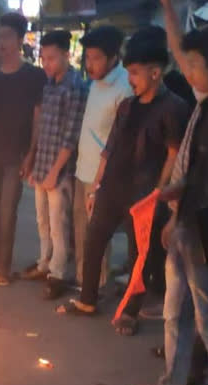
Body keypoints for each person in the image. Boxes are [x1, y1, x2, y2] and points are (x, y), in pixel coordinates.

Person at [56, 28, 189, 337]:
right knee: (93, 242)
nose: (131, 79)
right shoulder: (128, 106)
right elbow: (110, 148)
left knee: (137, 255)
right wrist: (98, 185)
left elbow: (174, 154)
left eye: (136, 73)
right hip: (112, 187)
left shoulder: (173, 108)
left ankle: (131, 311)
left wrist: (159, 192)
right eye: (129, 73)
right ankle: (87, 300)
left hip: (143, 194)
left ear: (155, 73)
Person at [124, 1, 208, 385]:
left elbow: (204, 185)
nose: (187, 71)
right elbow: (180, 50)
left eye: (195, 65)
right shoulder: (204, 98)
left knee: (206, 317)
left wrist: (177, 214)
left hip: (200, 230)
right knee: (175, 309)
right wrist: (170, 11)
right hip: (185, 225)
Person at [0, 12, 46, 286]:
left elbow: (37, 117)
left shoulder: (34, 76)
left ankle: (3, 268)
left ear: (19, 39)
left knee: (7, 212)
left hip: (16, 156)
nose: (0, 42)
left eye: (6, 36)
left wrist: (31, 154)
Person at [24, 30, 88, 299]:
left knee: (58, 224)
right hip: (42, 165)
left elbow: (70, 137)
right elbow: (41, 126)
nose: (46, 64)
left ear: (65, 54)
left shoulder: (75, 87)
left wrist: (53, 173)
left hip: (59, 171)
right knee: (42, 221)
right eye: (43, 58)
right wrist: (32, 160)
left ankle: (58, 274)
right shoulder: (49, 84)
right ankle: (44, 263)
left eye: (51, 58)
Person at [73, 26, 131, 290]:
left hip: (102, 175)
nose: (90, 64)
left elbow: (121, 139)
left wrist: (101, 181)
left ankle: (93, 288)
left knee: (96, 236)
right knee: (81, 231)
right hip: (82, 168)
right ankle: (84, 282)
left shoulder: (124, 87)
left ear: (112, 56)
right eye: (87, 58)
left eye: (96, 58)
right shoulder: (95, 83)